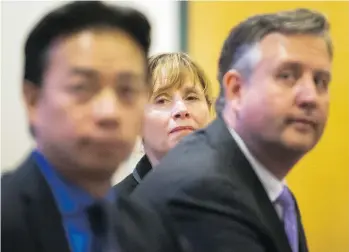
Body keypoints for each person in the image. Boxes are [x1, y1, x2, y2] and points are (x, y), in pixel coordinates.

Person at [132, 8, 333, 252]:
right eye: (287, 76)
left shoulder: (271, 186)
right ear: (236, 90)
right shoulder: (202, 188)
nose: (310, 96)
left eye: (321, 81)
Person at [1, 2, 190, 252]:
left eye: (126, 90)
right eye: (82, 88)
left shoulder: (148, 229)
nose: (109, 112)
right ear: (33, 100)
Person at [115, 52, 212, 195]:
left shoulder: (244, 190)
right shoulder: (113, 212)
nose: (181, 109)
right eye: (161, 100)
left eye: (191, 97)